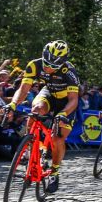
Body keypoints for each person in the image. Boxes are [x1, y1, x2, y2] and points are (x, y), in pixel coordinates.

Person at [7, 41, 79, 193]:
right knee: (36, 109)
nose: (48, 68)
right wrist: (13, 104)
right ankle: (29, 147)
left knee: (57, 138)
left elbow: (74, 100)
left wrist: (63, 114)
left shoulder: (69, 71)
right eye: (46, 63)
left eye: (53, 66)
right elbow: (24, 89)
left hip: (66, 102)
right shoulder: (34, 65)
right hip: (49, 94)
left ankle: (54, 171)